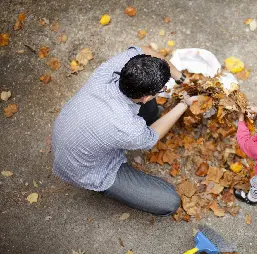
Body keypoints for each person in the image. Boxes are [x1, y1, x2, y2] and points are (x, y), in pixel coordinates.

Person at [52, 45, 196, 216]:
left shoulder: (113, 70)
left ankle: (149, 112)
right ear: (147, 96)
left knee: (150, 111)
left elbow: (146, 49)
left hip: (70, 135)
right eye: (161, 91)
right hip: (87, 169)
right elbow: (151, 137)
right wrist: (184, 104)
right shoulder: (128, 128)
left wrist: (182, 79)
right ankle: (105, 188)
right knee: (169, 201)